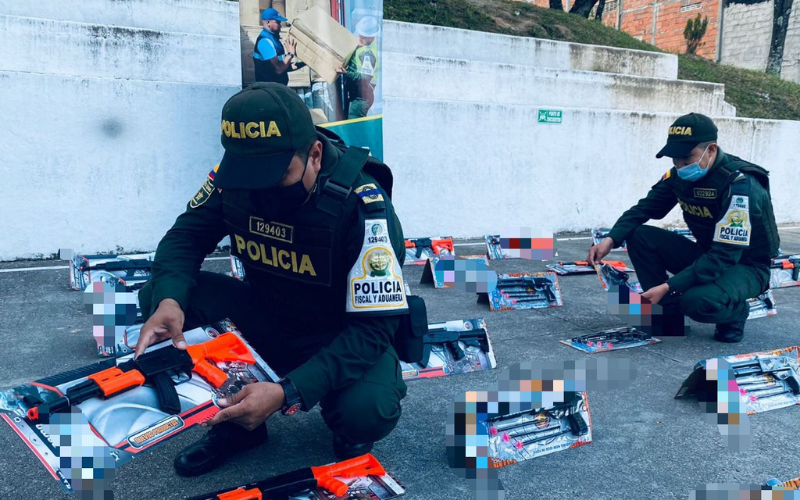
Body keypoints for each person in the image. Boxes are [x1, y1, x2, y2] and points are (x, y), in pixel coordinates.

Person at [135, 82, 410, 477]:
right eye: (251, 175)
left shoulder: (361, 205)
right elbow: (186, 236)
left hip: (338, 332)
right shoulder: (235, 176)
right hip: (266, 317)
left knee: (366, 411)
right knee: (165, 294)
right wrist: (169, 301)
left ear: (314, 155)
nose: (261, 190)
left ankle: (343, 420)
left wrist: (287, 393)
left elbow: (373, 329)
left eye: (275, 176)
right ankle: (239, 424)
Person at [587, 113, 780, 343]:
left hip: (746, 265)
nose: (680, 165)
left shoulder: (740, 185)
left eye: (687, 158)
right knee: (638, 235)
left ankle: (736, 313)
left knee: (695, 301)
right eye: (674, 159)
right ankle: (667, 313)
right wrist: (610, 240)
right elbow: (643, 209)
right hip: (707, 253)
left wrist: (669, 286)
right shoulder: (678, 176)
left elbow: (725, 255)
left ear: (711, 149)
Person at [338, 17, 381, 119]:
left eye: (364, 36)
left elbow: (365, 78)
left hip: (361, 98)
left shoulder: (367, 53)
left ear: (372, 38)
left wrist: (346, 72)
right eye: (360, 34)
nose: (360, 37)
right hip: (358, 95)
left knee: (354, 130)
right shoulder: (365, 46)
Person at [253, 8, 305, 85]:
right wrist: (290, 54)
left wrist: (305, 63)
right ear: (268, 22)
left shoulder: (274, 38)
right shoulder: (265, 42)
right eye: (278, 22)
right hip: (269, 90)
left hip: (277, 87)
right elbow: (278, 69)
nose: (280, 26)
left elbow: (283, 66)